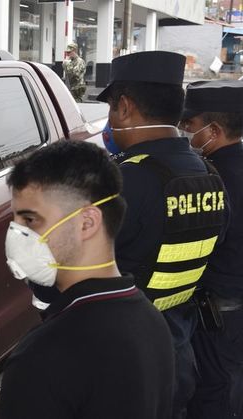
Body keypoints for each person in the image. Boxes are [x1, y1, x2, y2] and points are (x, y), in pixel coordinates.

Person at [0, 140, 174, 419]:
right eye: (15, 222)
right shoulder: (150, 319)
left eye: (30, 220)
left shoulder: (45, 355)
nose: (15, 236)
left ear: (87, 223)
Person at [96, 51, 227, 419]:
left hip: (120, 362)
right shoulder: (209, 174)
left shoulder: (123, 181)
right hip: (176, 354)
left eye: (109, 109)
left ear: (124, 106)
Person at [179, 80, 243, 419]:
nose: (183, 132)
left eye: (189, 125)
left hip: (217, 317)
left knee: (212, 397)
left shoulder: (213, 180)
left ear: (213, 130)